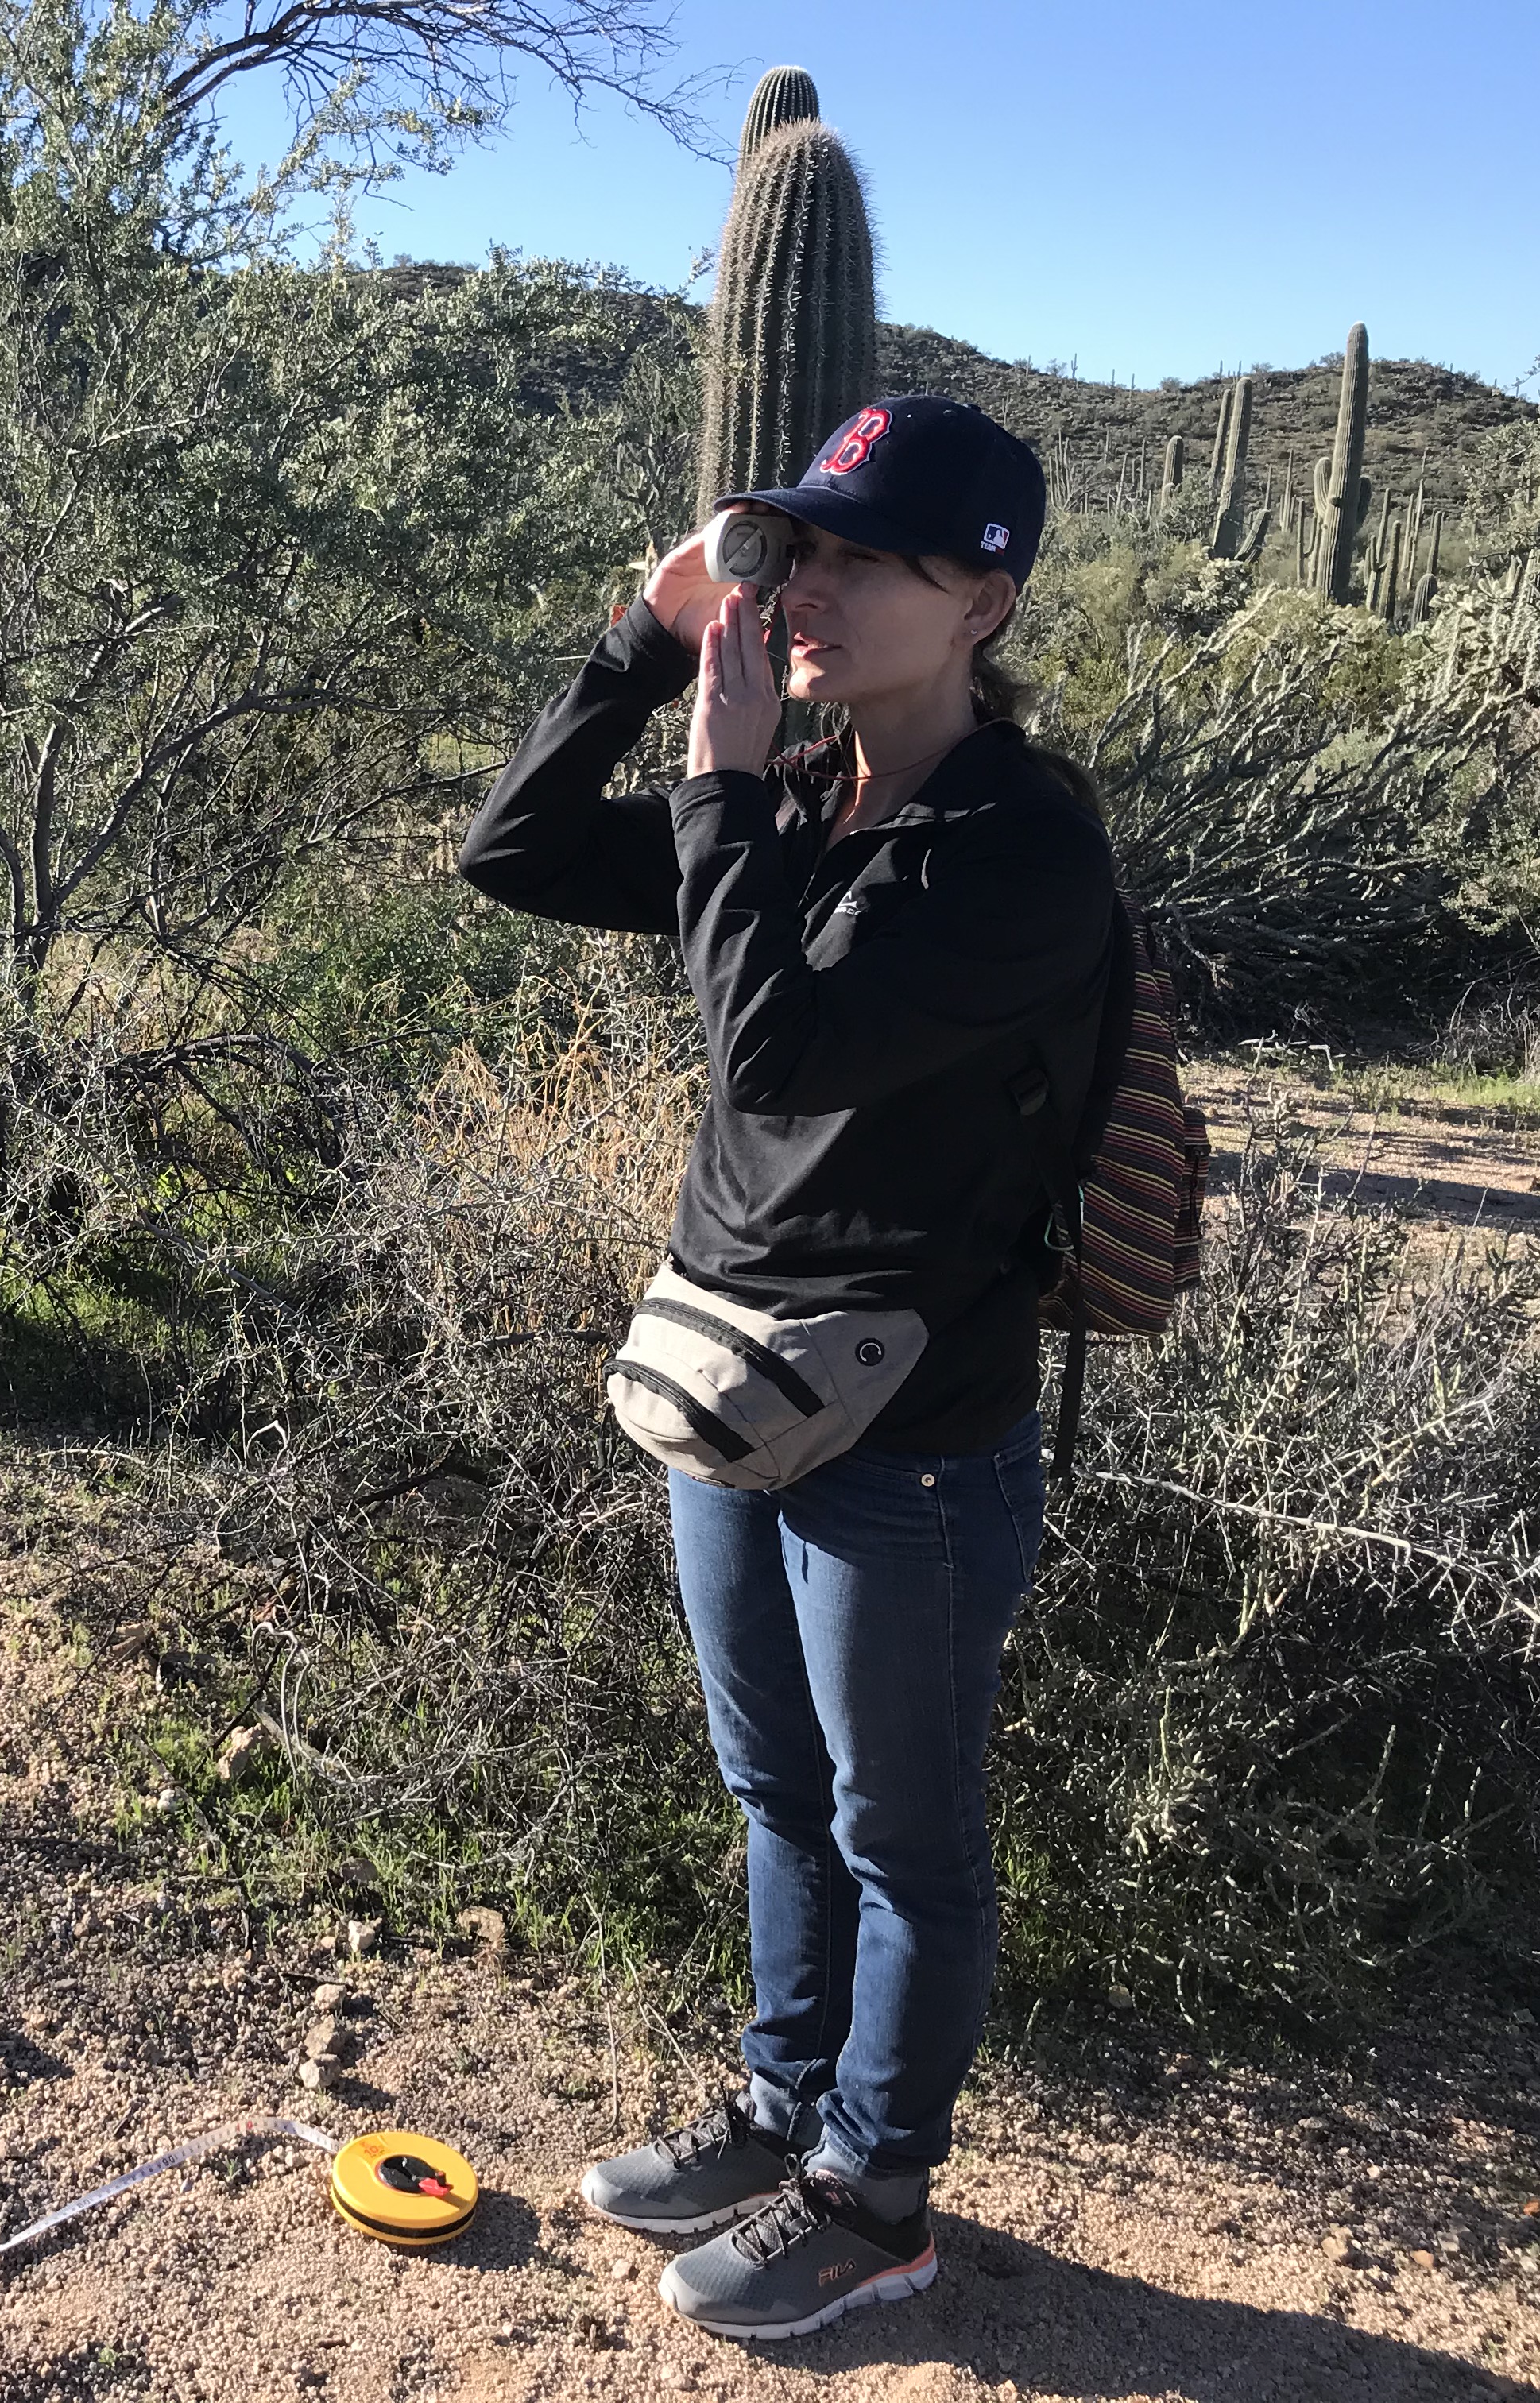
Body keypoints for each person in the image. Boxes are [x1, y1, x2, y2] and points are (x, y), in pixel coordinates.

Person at [456, 394, 1116, 2340]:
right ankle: (776, 2108)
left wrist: (727, 784)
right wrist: (642, 653)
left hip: (909, 1437)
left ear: (980, 600)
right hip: (729, 1382)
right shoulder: (813, 797)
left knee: (906, 1837)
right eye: (790, 547)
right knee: (774, 1786)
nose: (800, 586)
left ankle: (876, 2191)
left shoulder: (1017, 849)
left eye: (853, 556)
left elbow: (774, 1056)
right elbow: (507, 851)